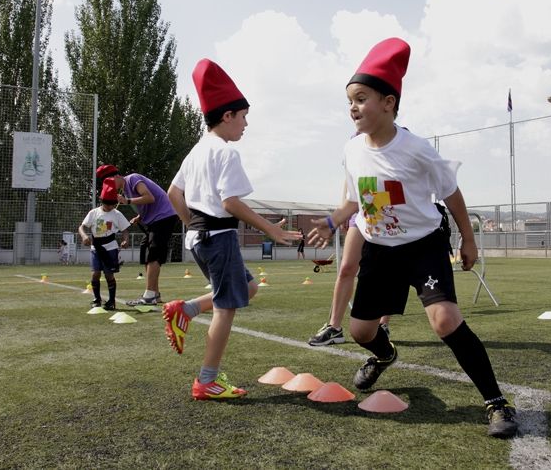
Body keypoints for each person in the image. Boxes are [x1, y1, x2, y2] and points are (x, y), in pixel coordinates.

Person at [308, 38, 518, 438]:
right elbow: (355, 200)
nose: (353, 107)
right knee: (361, 332)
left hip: (423, 247)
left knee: (445, 321)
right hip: (379, 250)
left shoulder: (417, 149)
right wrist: (331, 221)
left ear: (389, 103)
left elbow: (451, 193)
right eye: (349, 100)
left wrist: (468, 239)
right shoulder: (352, 151)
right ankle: (385, 355)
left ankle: (496, 402)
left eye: (361, 99)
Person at [163, 58, 302, 401]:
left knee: (248, 288)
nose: (246, 124)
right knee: (226, 308)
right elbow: (230, 203)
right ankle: (206, 381)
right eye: (243, 116)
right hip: (217, 238)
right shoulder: (226, 154)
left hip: (199, 238)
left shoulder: (196, 151)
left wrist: (192, 225)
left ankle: (186, 310)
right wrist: (270, 229)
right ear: (227, 116)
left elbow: (173, 194)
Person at [95, 164, 179, 306]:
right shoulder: (125, 190)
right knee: (145, 252)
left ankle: (149, 296)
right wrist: (139, 217)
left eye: (110, 183)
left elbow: (150, 197)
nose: (111, 187)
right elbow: (147, 205)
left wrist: (127, 201)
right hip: (155, 220)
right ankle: (155, 294)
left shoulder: (132, 179)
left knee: (153, 253)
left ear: (116, 176)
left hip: (164, 216)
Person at [308, 207, 391, 346]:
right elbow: (349, 192)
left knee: (385, 272)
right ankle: (334, 328)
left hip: (389, 214)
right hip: (361, 215)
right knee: (346, 268)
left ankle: (383, 325)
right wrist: (343, 214)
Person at [79, 177, 130, 311]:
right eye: (108, 204)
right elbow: (81, 227)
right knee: (95, 274)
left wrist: (126, 240)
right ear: (102, 201)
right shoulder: (94, 213)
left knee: (109, 275)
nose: (110, 207)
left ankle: (111, 301)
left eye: (113, 204)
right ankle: (97, 299)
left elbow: (125, 230)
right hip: (96, 248)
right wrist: (84, 236)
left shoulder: (117, 214)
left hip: (111, 247)